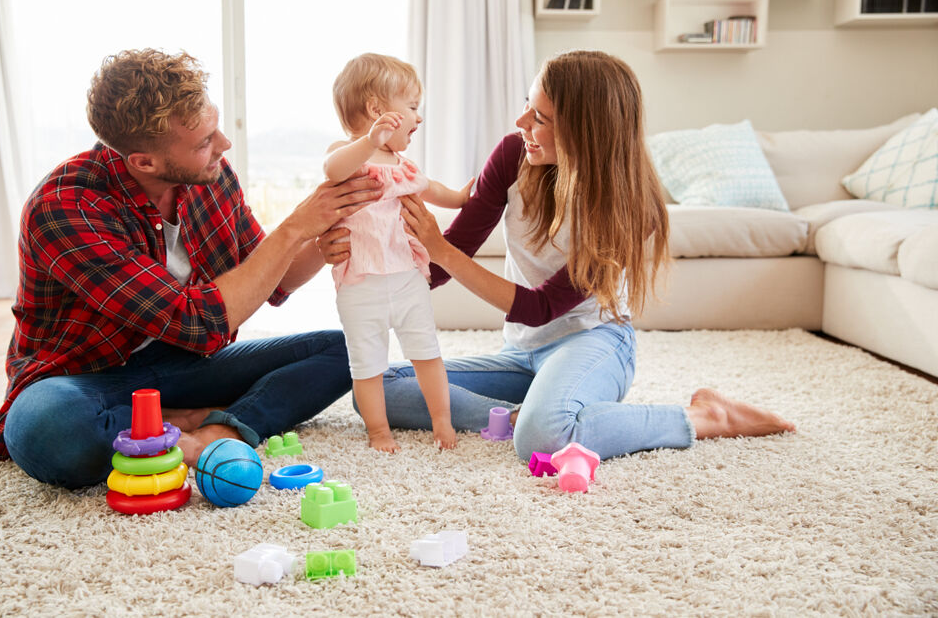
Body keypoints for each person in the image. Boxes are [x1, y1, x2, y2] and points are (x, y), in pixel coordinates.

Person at [320, 49, 795, 464]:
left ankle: (702, 416)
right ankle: (537, 409)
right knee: (377, 392)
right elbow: (454, 254)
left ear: (584, 132)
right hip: (524, 352)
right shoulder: (513, 156)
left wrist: (436, 246)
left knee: (541, 441)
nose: (521, 122)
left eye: (539, 117)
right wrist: (369, 265)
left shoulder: (627, 208)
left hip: (594, 342)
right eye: (528, 105)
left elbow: (539, 306)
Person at [0, 48, 383, 489]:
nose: (223, 145)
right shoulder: (64, 208)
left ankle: (215, 428)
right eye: (204, 142)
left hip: (182, 365)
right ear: (144, 162)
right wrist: (293, 229)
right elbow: (201, 323)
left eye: (215, 129)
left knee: (347, 350)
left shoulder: (208, 174)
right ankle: (184, 428)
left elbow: (272, 276)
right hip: (85, 379)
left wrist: (323, 239)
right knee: (45, 429)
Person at [324, 53, 473, 452]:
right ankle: (379, 432)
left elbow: (431, 188)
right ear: (377, 112)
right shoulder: (349, 154)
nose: (418, 118)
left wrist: (459, 198)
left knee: (427, 353)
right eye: (411, 108)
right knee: (368, 363)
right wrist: (368, 141)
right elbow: (333, 169)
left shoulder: (402, 166)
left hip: (407, 278)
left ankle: (442, 422)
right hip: (360, 283)